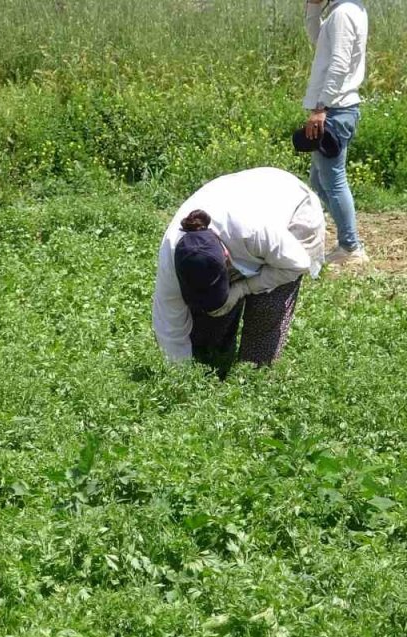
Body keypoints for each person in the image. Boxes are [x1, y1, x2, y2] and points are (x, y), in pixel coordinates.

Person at [152, 167, 325, 373]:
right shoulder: (171, 257)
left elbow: (297, 264)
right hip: (240, 208)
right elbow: (169, 325)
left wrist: (243, 288)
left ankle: (255, 373)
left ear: (226, 258)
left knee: (267, 306)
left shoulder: (254, 230)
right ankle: (215, 359)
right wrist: (179, 374)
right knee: (211, 316)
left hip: (292, 209)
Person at [304, 0, 369, 265]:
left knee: (332, 179)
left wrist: (322, 106)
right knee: (320, 180)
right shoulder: (344, 11)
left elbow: (340, 63)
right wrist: (313, 8)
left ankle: (350, 247)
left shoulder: (343, 13)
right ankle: (348, 239)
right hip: (338, 107)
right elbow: (319, 42)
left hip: (335, 108)